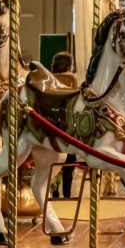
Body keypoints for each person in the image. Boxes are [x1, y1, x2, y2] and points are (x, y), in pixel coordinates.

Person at [51, 51, 79, 198]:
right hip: (67, 124)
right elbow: (75, 98)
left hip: (51, 122)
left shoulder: (49, 78)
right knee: (68, 165)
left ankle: (54, 191)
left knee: (53, 163)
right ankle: (67, 194)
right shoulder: (71, 78)